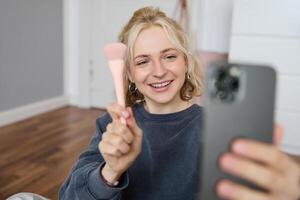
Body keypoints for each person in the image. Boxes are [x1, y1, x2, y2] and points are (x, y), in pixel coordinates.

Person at [59, 7, 300, 200]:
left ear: (185, 62)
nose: (159, 71)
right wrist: (110, 171)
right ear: (129, 74)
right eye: (143, 62)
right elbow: (69, 196)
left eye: (170, 56)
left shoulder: (214, 127)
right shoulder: (110, 127)